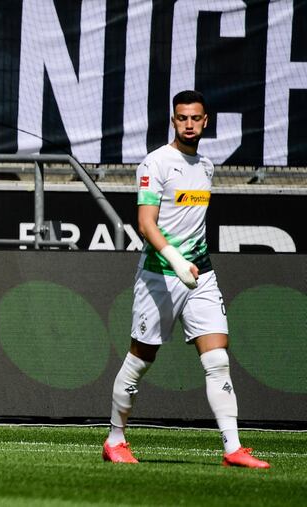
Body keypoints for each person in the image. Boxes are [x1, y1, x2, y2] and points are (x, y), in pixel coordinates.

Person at [102, 90, 269, 468]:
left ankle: (232, 448)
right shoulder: (156, 163)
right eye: (182, 118)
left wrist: (190, 266)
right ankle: (115, 439)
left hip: (201, 276)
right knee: (140, 359)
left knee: (218, 360)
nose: (189, 124)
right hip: (160, 276)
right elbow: (146, 224)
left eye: (195, 118)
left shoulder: (207, 167)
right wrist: (176, 261)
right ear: (173, 120)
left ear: (205, 121)